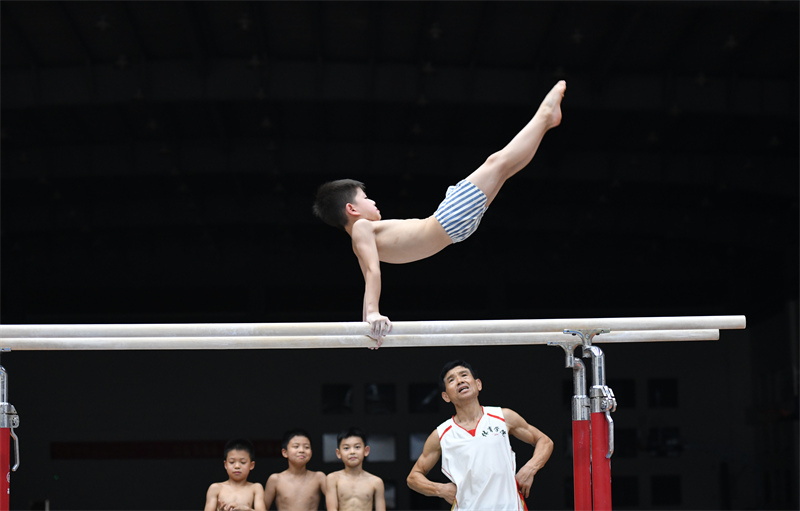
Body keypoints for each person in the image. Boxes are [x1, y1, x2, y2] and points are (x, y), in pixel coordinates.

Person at [312, 81, 566, 346]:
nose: (373, 201)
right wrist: (372, 315)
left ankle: (546, 122)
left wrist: (369, 324)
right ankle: (545, 115)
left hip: (455, 231)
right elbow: (373, 273)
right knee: (497, 162)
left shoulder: (360, 241)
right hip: (447, 220)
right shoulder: (362, 228)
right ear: (351, 210)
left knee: (504, 169)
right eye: (365, 198)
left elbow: (369, 277)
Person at [407, 360, 553, 510]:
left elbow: (545, 441)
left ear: (478, 384)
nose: (459, 380)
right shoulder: (441, 434)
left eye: (464, 375)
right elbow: (413, 478)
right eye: (451, 380)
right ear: (446, 396)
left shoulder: (503, 417)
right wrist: (440, 490)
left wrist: (530, 469)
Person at [263, 429, 327, 510]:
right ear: (285, 452)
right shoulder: (275, 479)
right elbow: (262, 509)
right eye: (296, 446)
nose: (301, 450)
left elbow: (336, 504)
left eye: (306, 447)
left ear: (311, 452)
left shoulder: (319, 477)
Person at [325, 427, 386, 511]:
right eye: (346, 448)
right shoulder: (333, 479)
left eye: (357, 447)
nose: (352, 452)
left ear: (366, 451)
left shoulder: (376, 482)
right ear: (338, 453)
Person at [205, 438, 267, 511]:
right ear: (225, 465)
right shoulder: (215, 488)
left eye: (243, 462)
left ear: (251, 465)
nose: (237, 466)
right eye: (232, 462)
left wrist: (246, 509)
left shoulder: (256, 488)